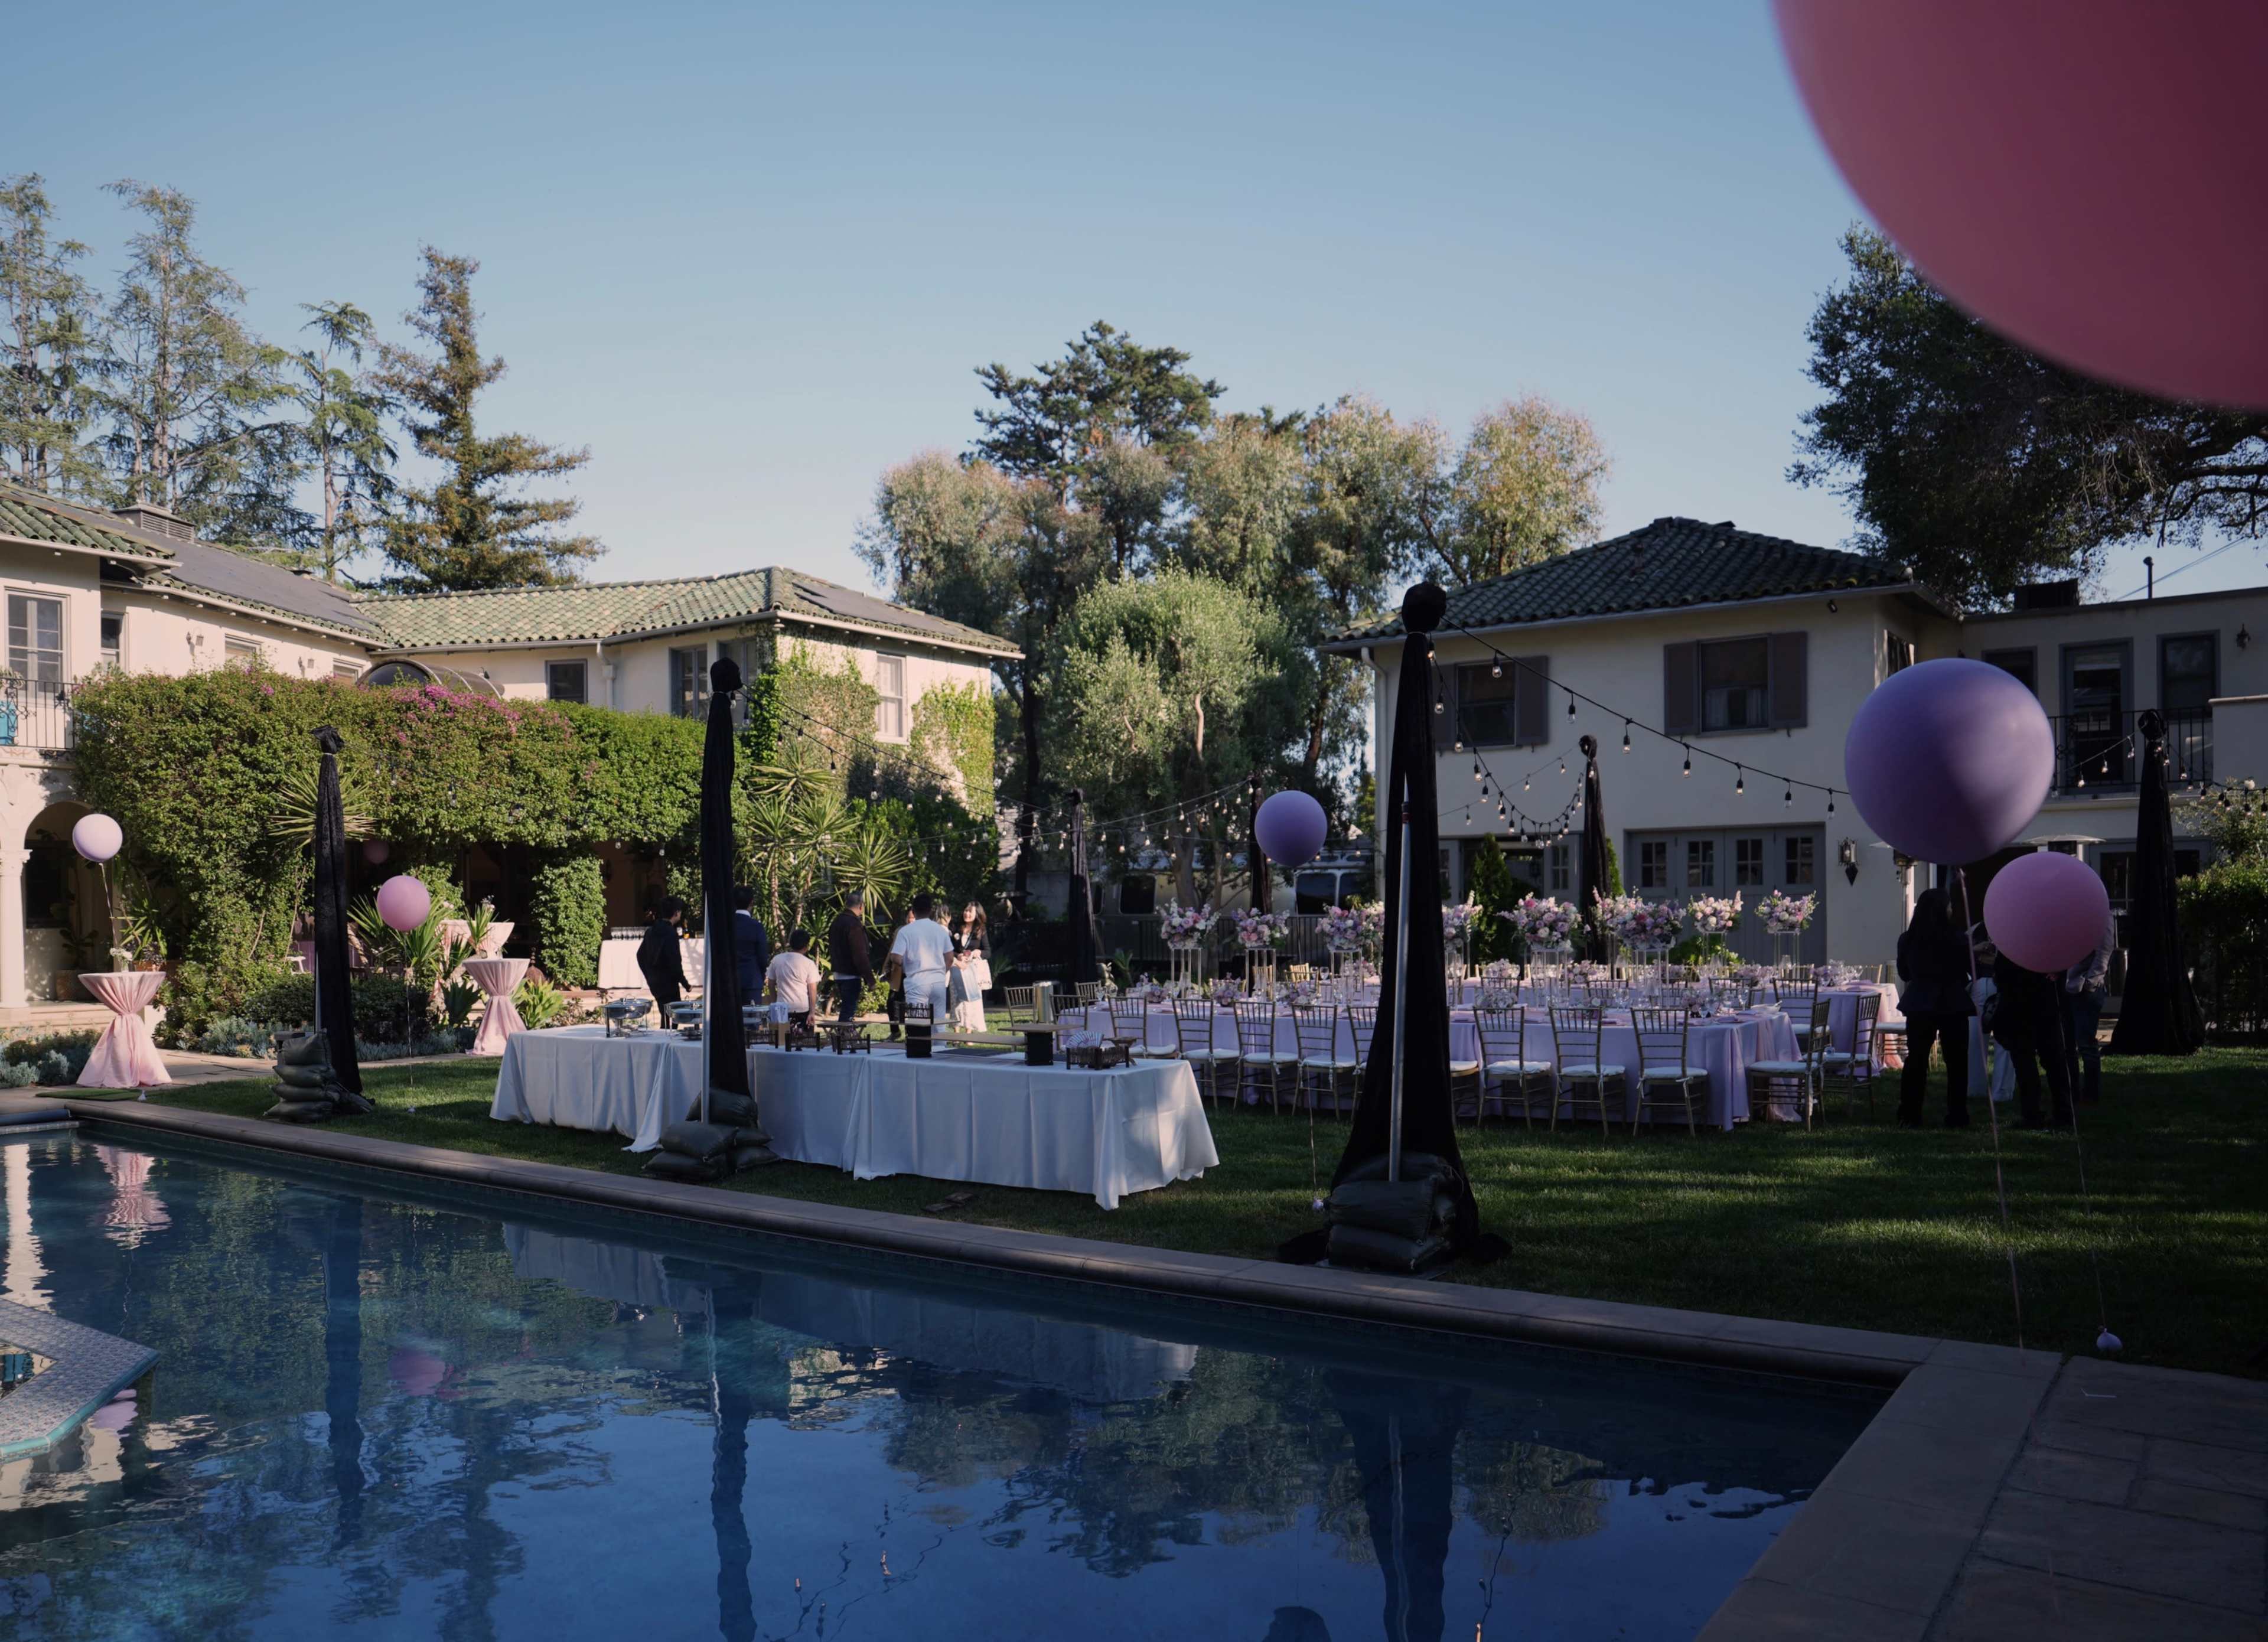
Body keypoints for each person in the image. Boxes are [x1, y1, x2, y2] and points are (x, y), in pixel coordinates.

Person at [1895, 888, 1975, 1128]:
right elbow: (1967, 970)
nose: (1952, 910)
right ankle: (1957, 1114)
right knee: (1957, 1062)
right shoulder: (1957, 938)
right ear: (1943, 909)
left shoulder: (1908, 939)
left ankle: (1910, 1113)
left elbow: (1904, 973)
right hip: (1952, 1002)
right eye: (1949, 905)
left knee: (1916, 1061)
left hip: (1920, 1002)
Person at [1992, 946, 2074, 1129]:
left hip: (2020, 1006)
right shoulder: (2050, 943)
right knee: (2054, 1062)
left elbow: (2001, 974)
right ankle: (2063, 1112)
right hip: (2046, 1005)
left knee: (2026, 1064)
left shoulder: (2012, 942)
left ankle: (2033, 1114)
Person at [2063, 908, 2117, 1106]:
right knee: (2067, 1044)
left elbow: (2104, 952)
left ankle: (2091, 1094)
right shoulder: (2070, 914)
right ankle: (2072, 1092)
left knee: (2086, 1044)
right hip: (2067, 987)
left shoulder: (2101, 914)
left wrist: (2090, 983)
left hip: (2085, 989)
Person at [890, 891, 954, 1027]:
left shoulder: (905, 931)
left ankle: (920, 1048)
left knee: (919, 1025)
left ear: (913, 911)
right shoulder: (940, 930)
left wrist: (907, 964)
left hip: (916, 980)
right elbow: (950, 958)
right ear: (931, 911)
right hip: (938, 981)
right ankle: (939, 1047)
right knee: (939, 1024)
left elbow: (895, 957)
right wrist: (941, 972)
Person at [826, 890, 874, 1025]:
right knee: (848, 1010)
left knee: (847, 1008)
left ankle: (844, 1037)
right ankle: (843, 1038)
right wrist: (870, 980)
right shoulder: (853, 924)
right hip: (851, 975)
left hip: (838, 973)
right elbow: (859, 954)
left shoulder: (837, 922)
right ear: (861, 906)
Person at [947, 901, 992, 1032]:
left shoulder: (981, 930)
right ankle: (956, 1031)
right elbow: (950, 949)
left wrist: (978, 952)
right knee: (956, 999)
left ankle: (969, 1031)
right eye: (966, 911)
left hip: (972, 970)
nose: (967, 914)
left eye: (970, 912)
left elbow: (988, 952)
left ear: (977, 914)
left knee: (971, 1001)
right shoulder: (957, 928)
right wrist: (958, 955)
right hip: (957, 968)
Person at [764, 928, 823, 1027]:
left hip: (781, 1009)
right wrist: (812, 1012)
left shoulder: (777, 960)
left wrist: (775, 1003)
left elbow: (770, 984)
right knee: (802, 1041)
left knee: (781, 1040)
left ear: (790, 944)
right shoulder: (809, 963)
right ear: (806, 947)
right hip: (802, 1009)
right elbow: (812, 989)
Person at [637, 898, 689, 1006]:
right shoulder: (671, 933)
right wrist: (685, 984)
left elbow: (640, 955)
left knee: (664, 1013)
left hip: (655, 981)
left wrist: (649, 975)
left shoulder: (650, 931)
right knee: (673, 1014)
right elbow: (675, 962)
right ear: (677, 913)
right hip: (668, 982)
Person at [729, 886, 771, 1011]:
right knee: (752, 1020)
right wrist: (763, 974)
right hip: (751, 980)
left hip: (729, 980)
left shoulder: (726, 926)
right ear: (752, 902)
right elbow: (762, 956)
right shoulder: (756, 926)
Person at [884, 907, 914, 1041]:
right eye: (910, 917)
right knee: (892, 1002)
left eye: (914, 918)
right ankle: (895, 1031)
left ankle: (910, 1032)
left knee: (910, 1004)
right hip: (898, 972)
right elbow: (892, 950)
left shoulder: (920, 932)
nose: (911, 920)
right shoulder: (900, 931)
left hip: (914, 973)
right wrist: (887, 967)